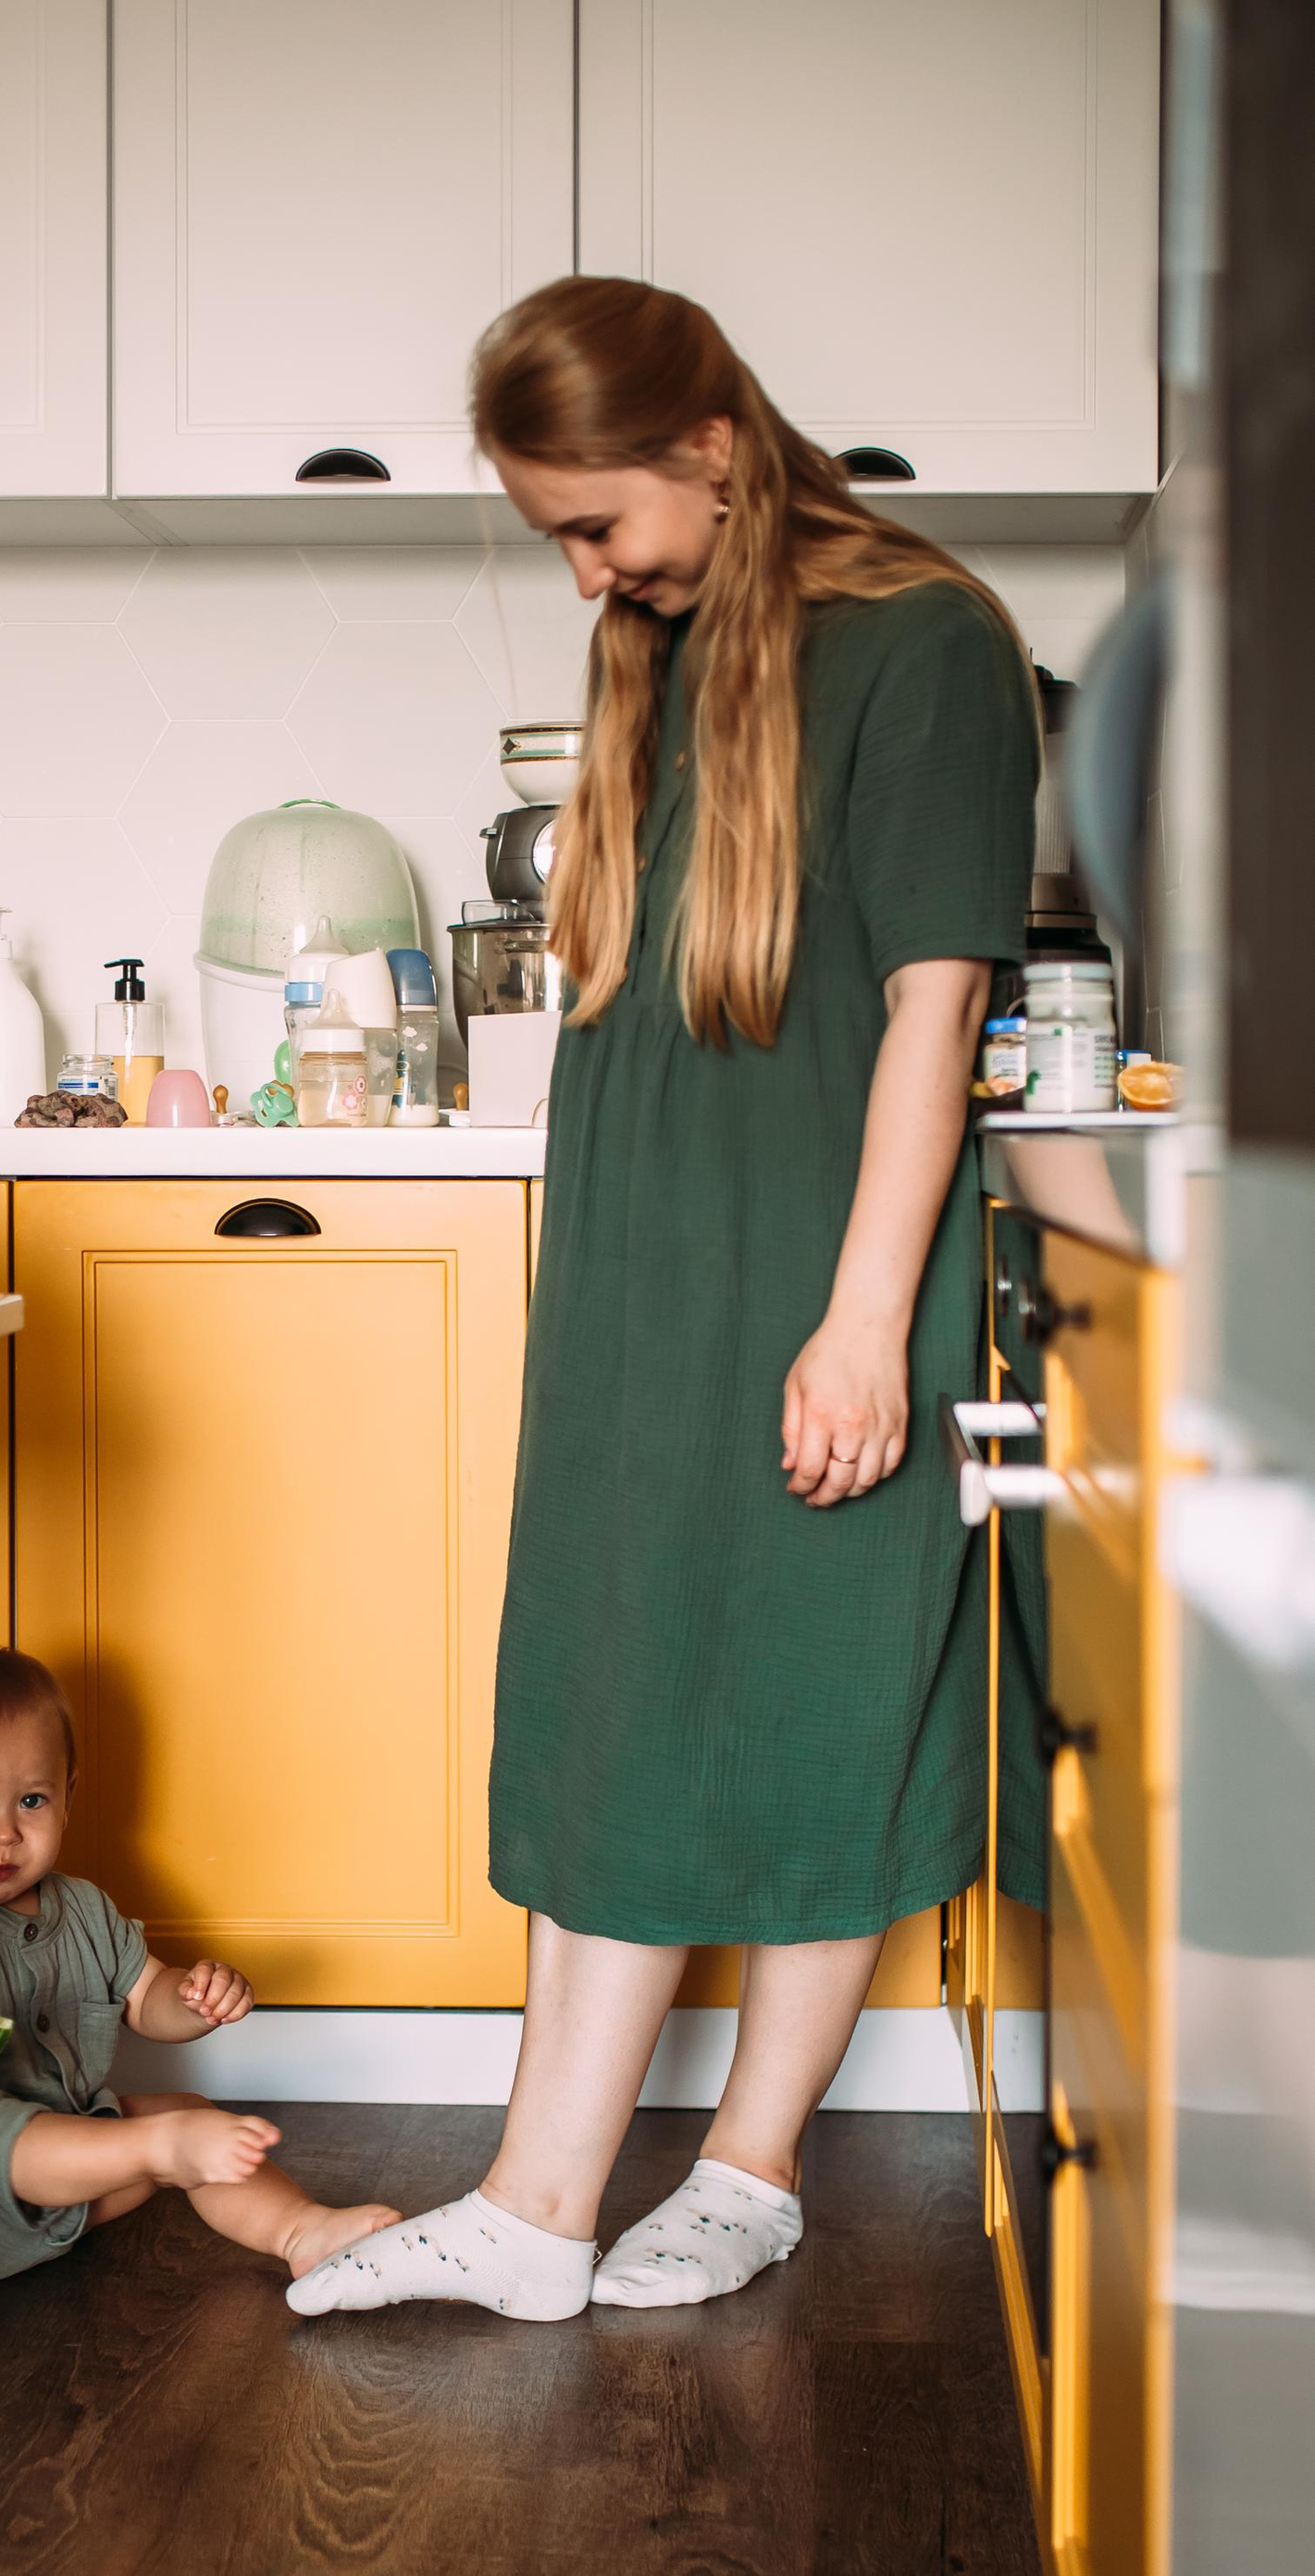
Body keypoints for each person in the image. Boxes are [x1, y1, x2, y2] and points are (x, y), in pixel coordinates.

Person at [292, 276, 1039, 2328]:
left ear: (707, 450)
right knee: (610, 1691)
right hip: (643, 1247)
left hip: (813, 1244)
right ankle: (536, 2208)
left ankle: (750, 2163)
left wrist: (861, 1317)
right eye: (553, 531)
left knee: (817, 1689)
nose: (579, 565)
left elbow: (930, 1004)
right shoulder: (659, 642)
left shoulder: (928, 645)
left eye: (590, 519)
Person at [0, 1645, 397, 2289]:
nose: (5, 1832)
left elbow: (149, 1998)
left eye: (32, 1801)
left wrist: (196, 1996)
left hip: (60, 2194)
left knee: (187, 2109)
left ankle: (299, 2232)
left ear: (67, 1794)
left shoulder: (84, 1909)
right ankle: (159, 2148)